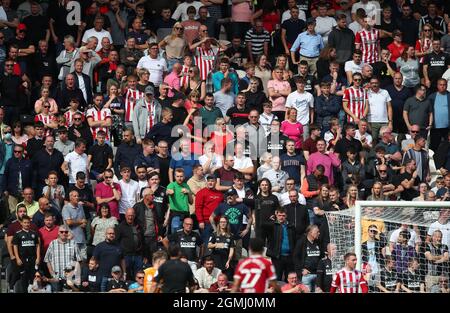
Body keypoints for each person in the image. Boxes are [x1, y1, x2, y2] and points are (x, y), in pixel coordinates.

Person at [44, 224, 82, 289]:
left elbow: (79, 260)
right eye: (61, 232)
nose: (63, 233)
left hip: (69, 278)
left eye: (66, 232)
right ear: (58, 232)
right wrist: (52, 274)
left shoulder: (73, 243)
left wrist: (74, 273)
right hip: (56, 277)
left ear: (68, 233)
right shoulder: (53, 243)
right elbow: (47, 260)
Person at [266, 208, 296, 281]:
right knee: (277, 279)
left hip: (289, 257)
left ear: (286, 216)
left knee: (289, 279)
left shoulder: (291, 226)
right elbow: (262, 226)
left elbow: (295, 240)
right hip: (277, 257)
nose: (281, 217)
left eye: (283, 215)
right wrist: (270, 220)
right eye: (279, 215)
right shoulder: (272, 226)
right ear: (276, 215)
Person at [428, 79, 450, 153]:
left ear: (447, 86)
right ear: (437, 86)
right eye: (441, 85)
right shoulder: (432, 97)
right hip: (435, 127)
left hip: (447, 128)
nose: (442, 86)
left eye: (444, 85)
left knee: (447, 147)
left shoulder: (449, 96)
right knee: (434, 147)